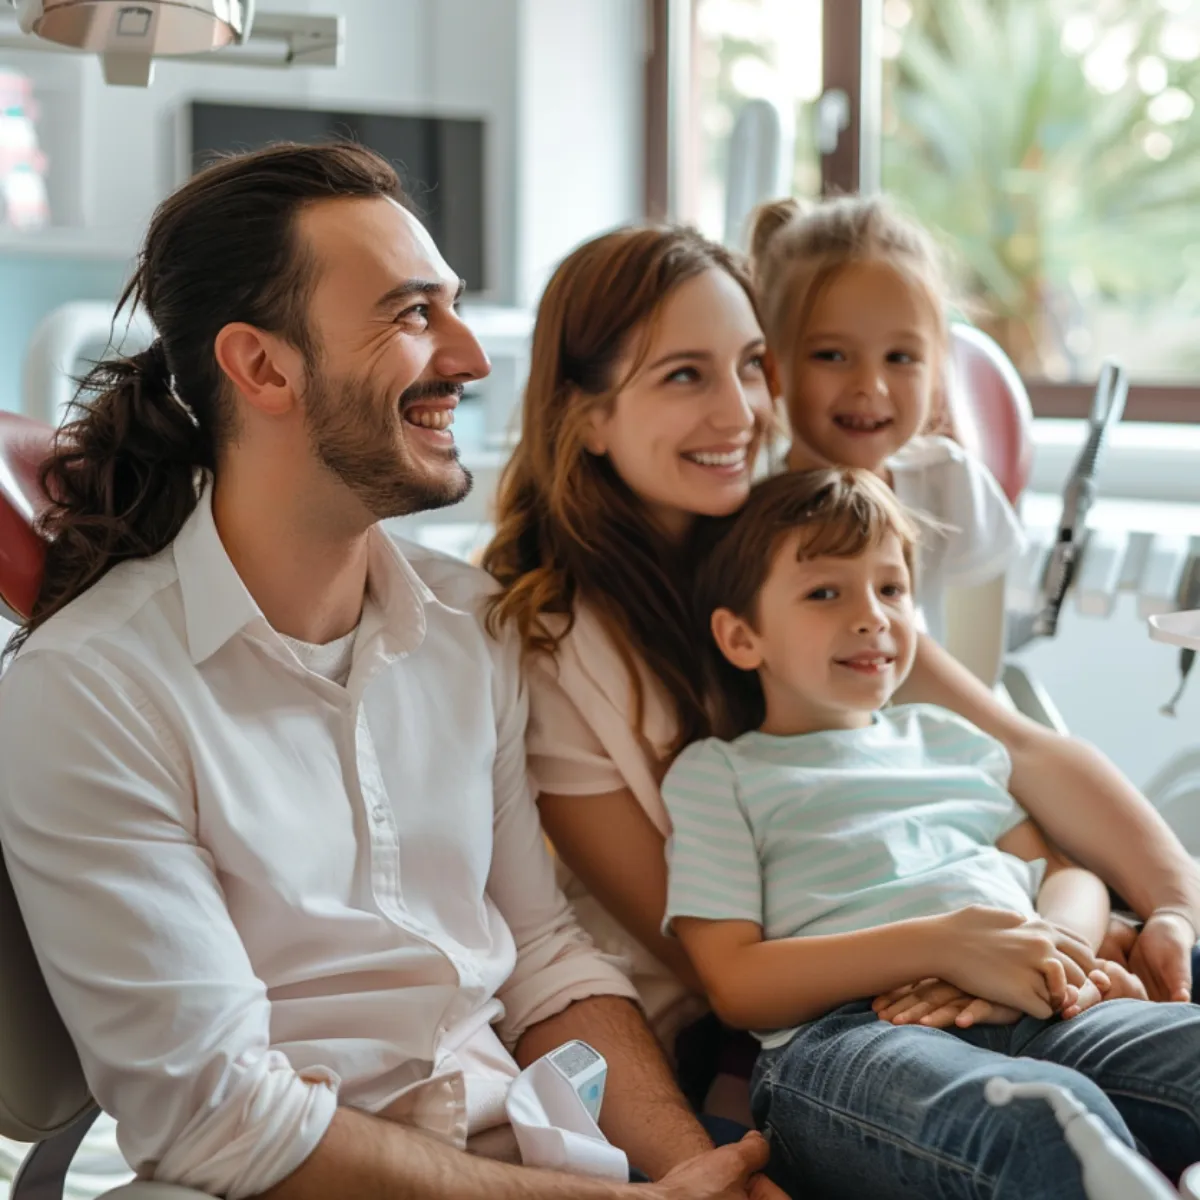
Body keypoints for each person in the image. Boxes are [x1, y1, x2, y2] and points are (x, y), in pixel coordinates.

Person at [0, 143, 784, 1200]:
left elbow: (545, 957)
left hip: (518, 1146)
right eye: (413, 315)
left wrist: (699, 1171)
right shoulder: (91, 689)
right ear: (262, 367)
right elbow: (220, 1120)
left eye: (452, 308)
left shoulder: (468, 627)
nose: (469, 356)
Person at [481, 222, 1200, 1101]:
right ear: (586, 416)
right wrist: (968, 950)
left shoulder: (796, 552)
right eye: (683, 375)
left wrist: (1163, 908)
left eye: (751, 366)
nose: (741, 412)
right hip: (793, 1028)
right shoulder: (547, 645)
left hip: (961, 959)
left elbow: (1022, 749)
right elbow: (705, 946)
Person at [662, 466, 1200, 1198]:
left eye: (890, 589)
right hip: (857, 1035)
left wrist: (1050, 948)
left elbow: (1066, 872)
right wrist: (942, 946)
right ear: (741, 636)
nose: (872, 615)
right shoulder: (717, 774)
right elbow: (736, 982)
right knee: (1038, 1127)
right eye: (825, 592)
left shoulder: (951, 738)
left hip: (1034, 1000)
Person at [748, 193, 1024, 647]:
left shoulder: (950, 483)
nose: (870, 387)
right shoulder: (749, 506)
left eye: (900, 357)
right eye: (832, 355)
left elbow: (978, 669)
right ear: (773, 367)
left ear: (936, 373)